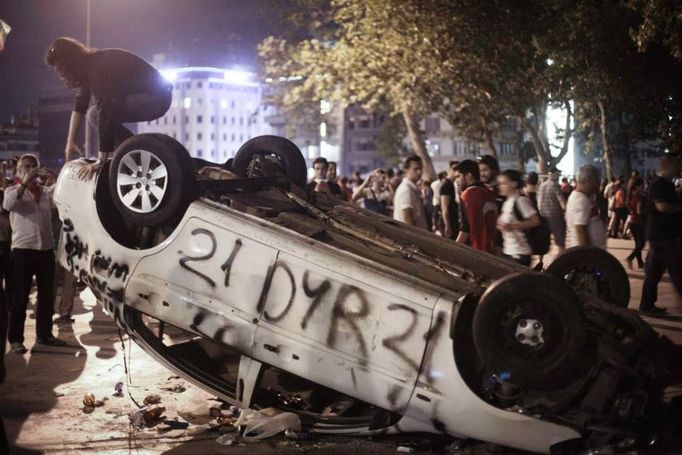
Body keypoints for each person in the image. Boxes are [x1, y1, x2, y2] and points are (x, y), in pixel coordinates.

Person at [46, 37, 173, 179]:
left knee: (97, 113)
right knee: (97, 113)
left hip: (156, 98)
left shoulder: (98, 69)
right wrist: (70, 142)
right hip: (149, 96)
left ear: (69, 62)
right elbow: (80, 105)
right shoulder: (90, 68)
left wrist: (102, 160)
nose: (61, 74)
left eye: (60, 68)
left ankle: (136, 149)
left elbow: (105, 112)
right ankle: (137, 149)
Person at [3, 154, 65, 354]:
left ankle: (44, 335)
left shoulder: (46, 193)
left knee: (47, 297)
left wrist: (58, 178)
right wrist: (26, 182)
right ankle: (15, 339)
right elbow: (9, 205)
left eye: (33, 166)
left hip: (45, 250)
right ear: (19, 171)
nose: (30, 169)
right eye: (26, 167)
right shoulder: (12, 191)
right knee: (20, 297)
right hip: (23, 251)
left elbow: (63, 195)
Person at [639, 155, 682, 315]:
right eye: (677, 165)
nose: (679, 168)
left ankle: (647, 305)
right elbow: (662, 206)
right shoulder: (659, 185)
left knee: (653, 273)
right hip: (664, 236)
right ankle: (647, 305)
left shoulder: (664, 185)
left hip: (659, 236)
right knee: (678, 272)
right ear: (668, 166)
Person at [497, 169, 541, 266]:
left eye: (504, 183)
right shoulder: (507, 202)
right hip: (508, 250)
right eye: (499, 183)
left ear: (514, 184)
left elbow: (535, 221)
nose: (500, 186)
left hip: (520, 253)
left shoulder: (521, 201)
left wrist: (512, 226)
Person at [454, 160, 498, 254]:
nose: (456, 181)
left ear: (468, 176)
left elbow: (466, 226)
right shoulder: (489, 192)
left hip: (477, 248)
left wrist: (455, 247)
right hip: (492, 247)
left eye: (458, 176)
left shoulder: (468, 194)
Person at [565, 165, 606, 249]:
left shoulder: (582, 197)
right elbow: (581, 230)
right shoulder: (580, 200)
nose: (599, 183)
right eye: (597, 180)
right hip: (586, 256)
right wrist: (588, 256)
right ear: (588, 180)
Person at [393, 155, 428, 229]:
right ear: (406, 170)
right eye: (415, 169)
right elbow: (407, 218)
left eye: (421, 169)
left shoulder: (411, 188)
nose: (419, 172)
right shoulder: (406, 190)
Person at [537, 167, 566, 253]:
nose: (559, 175)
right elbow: (561, 200)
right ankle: (561, 261)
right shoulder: (555, 185)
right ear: (552, 174)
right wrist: (566, 211)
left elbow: (538, 200)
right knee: (560, 242)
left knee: (544, 242)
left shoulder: (541, 186)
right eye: (557, 173)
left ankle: (541, 262)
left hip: (543, 216)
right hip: (555, 216)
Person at [625, 178, 645, 269]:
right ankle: (630, 258)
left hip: (631, 221)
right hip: (638, 222)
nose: (643, 187)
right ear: (637, 186)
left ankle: (640, 263)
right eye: (641, 185)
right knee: (641, 243)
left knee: (638, 243)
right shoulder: (639, 196)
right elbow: (639, 210)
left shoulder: (630, 195)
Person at [440, 161, 460, 240]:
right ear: (449, 169)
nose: (456, 172)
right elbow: (444, 207)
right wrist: (447, 225)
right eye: (454, 169)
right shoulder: (447, 185)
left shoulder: (452, 184)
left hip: (453, 221)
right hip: (450, 222)